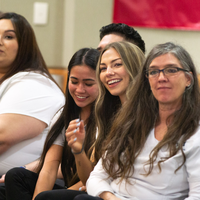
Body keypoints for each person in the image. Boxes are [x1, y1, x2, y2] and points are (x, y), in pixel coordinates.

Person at [74, 42, 200, 200]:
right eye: (154, 72)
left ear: (188, 79)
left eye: (171, 70)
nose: (161, 78)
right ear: (147, 79)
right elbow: (97, 177)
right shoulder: (132, 120)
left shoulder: (195, 131)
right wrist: (110, 198)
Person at [30, 41, 145, 200]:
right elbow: (96, 176)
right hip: (106, 190)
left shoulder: (139, 114)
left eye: (116, 65)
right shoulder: (119, 117)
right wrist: (78, 150)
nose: (109, 72)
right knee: (17, 178)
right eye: (103, 68)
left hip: (125, 193)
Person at [0, 47, 100, 200]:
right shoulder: (64, 115)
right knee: (15, 176)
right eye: (74, 81)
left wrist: (49, 196)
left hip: (91, 187)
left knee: (48, 197)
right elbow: (49, 167)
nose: (80, 89)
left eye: (88, 84)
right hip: (68, 186)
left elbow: (91, 179)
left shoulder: (106, 119)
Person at [0, 12, 65, 175]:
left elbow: (2, 136)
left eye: (8, 36)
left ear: (24, 45)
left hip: (23, 187)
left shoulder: (33, 82)